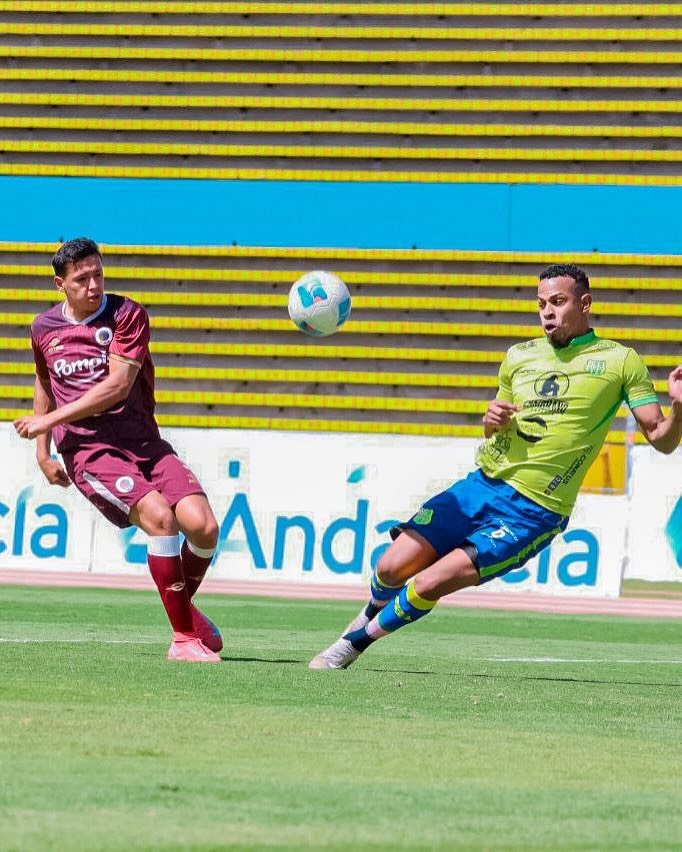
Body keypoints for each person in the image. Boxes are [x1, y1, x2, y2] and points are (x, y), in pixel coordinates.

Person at [309, 263, 682, 669]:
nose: (547, 312)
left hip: (534, 510)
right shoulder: (519, 356)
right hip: (480, 486)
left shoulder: (619, 361)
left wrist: (678, 405)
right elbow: (493, 429)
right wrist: (491, 421)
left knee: (431, 581)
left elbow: (661, 439)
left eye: (558, 302)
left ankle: (351, 646)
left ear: (585, 304)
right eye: (541, 304)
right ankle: (367, 614)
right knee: (390, 565)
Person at [14, 237, 223, 663]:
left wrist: (46, 424)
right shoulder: (43, 329)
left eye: (98, 274)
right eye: (81, 279)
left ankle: (185, 613)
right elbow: (44, 382)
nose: (93, 285)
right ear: (60, 284)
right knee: (161, 521)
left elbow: (117, 386)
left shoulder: (127, 314)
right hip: (89, 451)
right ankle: (183, 638)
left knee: (203, 527)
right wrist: (43, 452)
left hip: (143, 440)